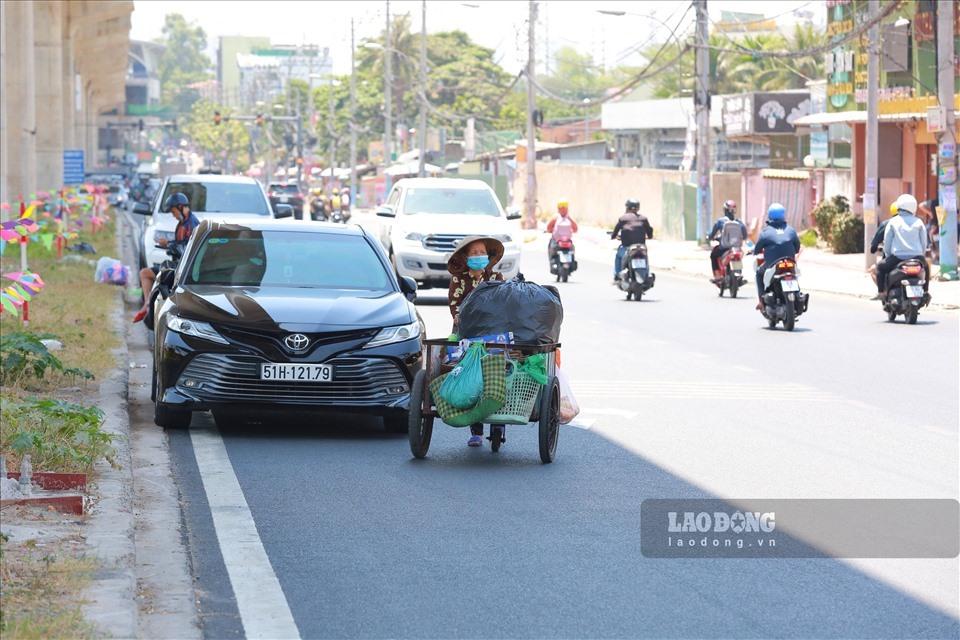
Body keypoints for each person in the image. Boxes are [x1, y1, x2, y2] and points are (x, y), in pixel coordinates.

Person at [447, 236, 505, 447]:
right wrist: (459, 316)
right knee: (473, 377)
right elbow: (455, 305)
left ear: (488, 256)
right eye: (473, 253)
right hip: (467, 334)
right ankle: (476, 431)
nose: (478, 256)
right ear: (465, 257)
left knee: (496, 373)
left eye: (481, 253)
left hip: (493, 333)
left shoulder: (496, 277)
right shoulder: (458, 281)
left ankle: (499, 425)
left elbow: (503, 302)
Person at [132, 192, 199, 323]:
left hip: (182, 269)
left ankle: (150, 307)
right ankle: (147, 304)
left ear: (180, 207)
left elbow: (186, 250)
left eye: (173, 211)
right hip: (177, 264)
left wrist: (168, 244)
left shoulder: (192, 225)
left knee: (149, 275)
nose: (173, 215)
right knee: (145, 273)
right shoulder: (182, 223)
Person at [877, 193, 929, 297]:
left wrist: (888, 255)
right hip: (917, 257)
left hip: (897, 257)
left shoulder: (893, 222)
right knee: (926, 269)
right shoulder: (919, 222)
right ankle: (926, 291)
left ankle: (881, 293)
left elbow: (887, 242)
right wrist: (920, 255)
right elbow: (924, 242)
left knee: (880, 267)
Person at [752, 203, 800, 310]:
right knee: (794, 276)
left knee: (759, 274)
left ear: (769, 216)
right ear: (783, 215)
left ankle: (761, 302)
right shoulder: (791, 230)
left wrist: (755, 252)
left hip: (773, 265)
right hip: (790, 262)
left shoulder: (765, 232)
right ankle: (798, 294)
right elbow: (797, 247)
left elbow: (757, 249)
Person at [611, 199, 653, 281]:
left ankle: (617, 275)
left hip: (627, 247)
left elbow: (615, 231)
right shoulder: (643, 218)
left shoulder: (623, 218)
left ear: (627, 207)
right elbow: (649, 231)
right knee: (645, 259)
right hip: (641, 247)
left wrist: (613, 236)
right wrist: (650, 236)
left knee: (619, 256)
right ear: (638, 208)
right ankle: (647, 274)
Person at [707, 199, 747, 281]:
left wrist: (710, 237)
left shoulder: (720, 221)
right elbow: (745, 236)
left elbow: (712, 234)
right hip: (737, 248)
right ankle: (739, 274)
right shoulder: (739, 222)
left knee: (713, 255)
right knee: (738, 257)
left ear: (725, 210)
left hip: (724, 248)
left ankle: (717, 276)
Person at [867, 202, 898, 294]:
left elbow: (875, 243)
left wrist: (874, 247)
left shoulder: (887, 224)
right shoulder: (914, 222)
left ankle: (883, 292)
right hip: (914, 256)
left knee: (874, 269)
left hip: (893, 257)